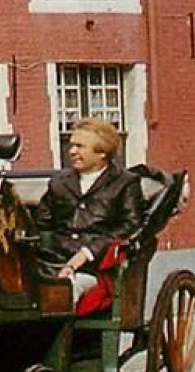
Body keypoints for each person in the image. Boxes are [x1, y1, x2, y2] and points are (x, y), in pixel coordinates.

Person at [32, 119, 147, 304]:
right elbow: (40, 225)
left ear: (102, 152)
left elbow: (131, 227)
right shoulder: (59, 182)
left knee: (65, 292)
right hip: (52, 262)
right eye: (71, 146)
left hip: (97, 267)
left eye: (80, 146)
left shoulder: (125, 183)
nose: (72, 152)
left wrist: (87, 253)